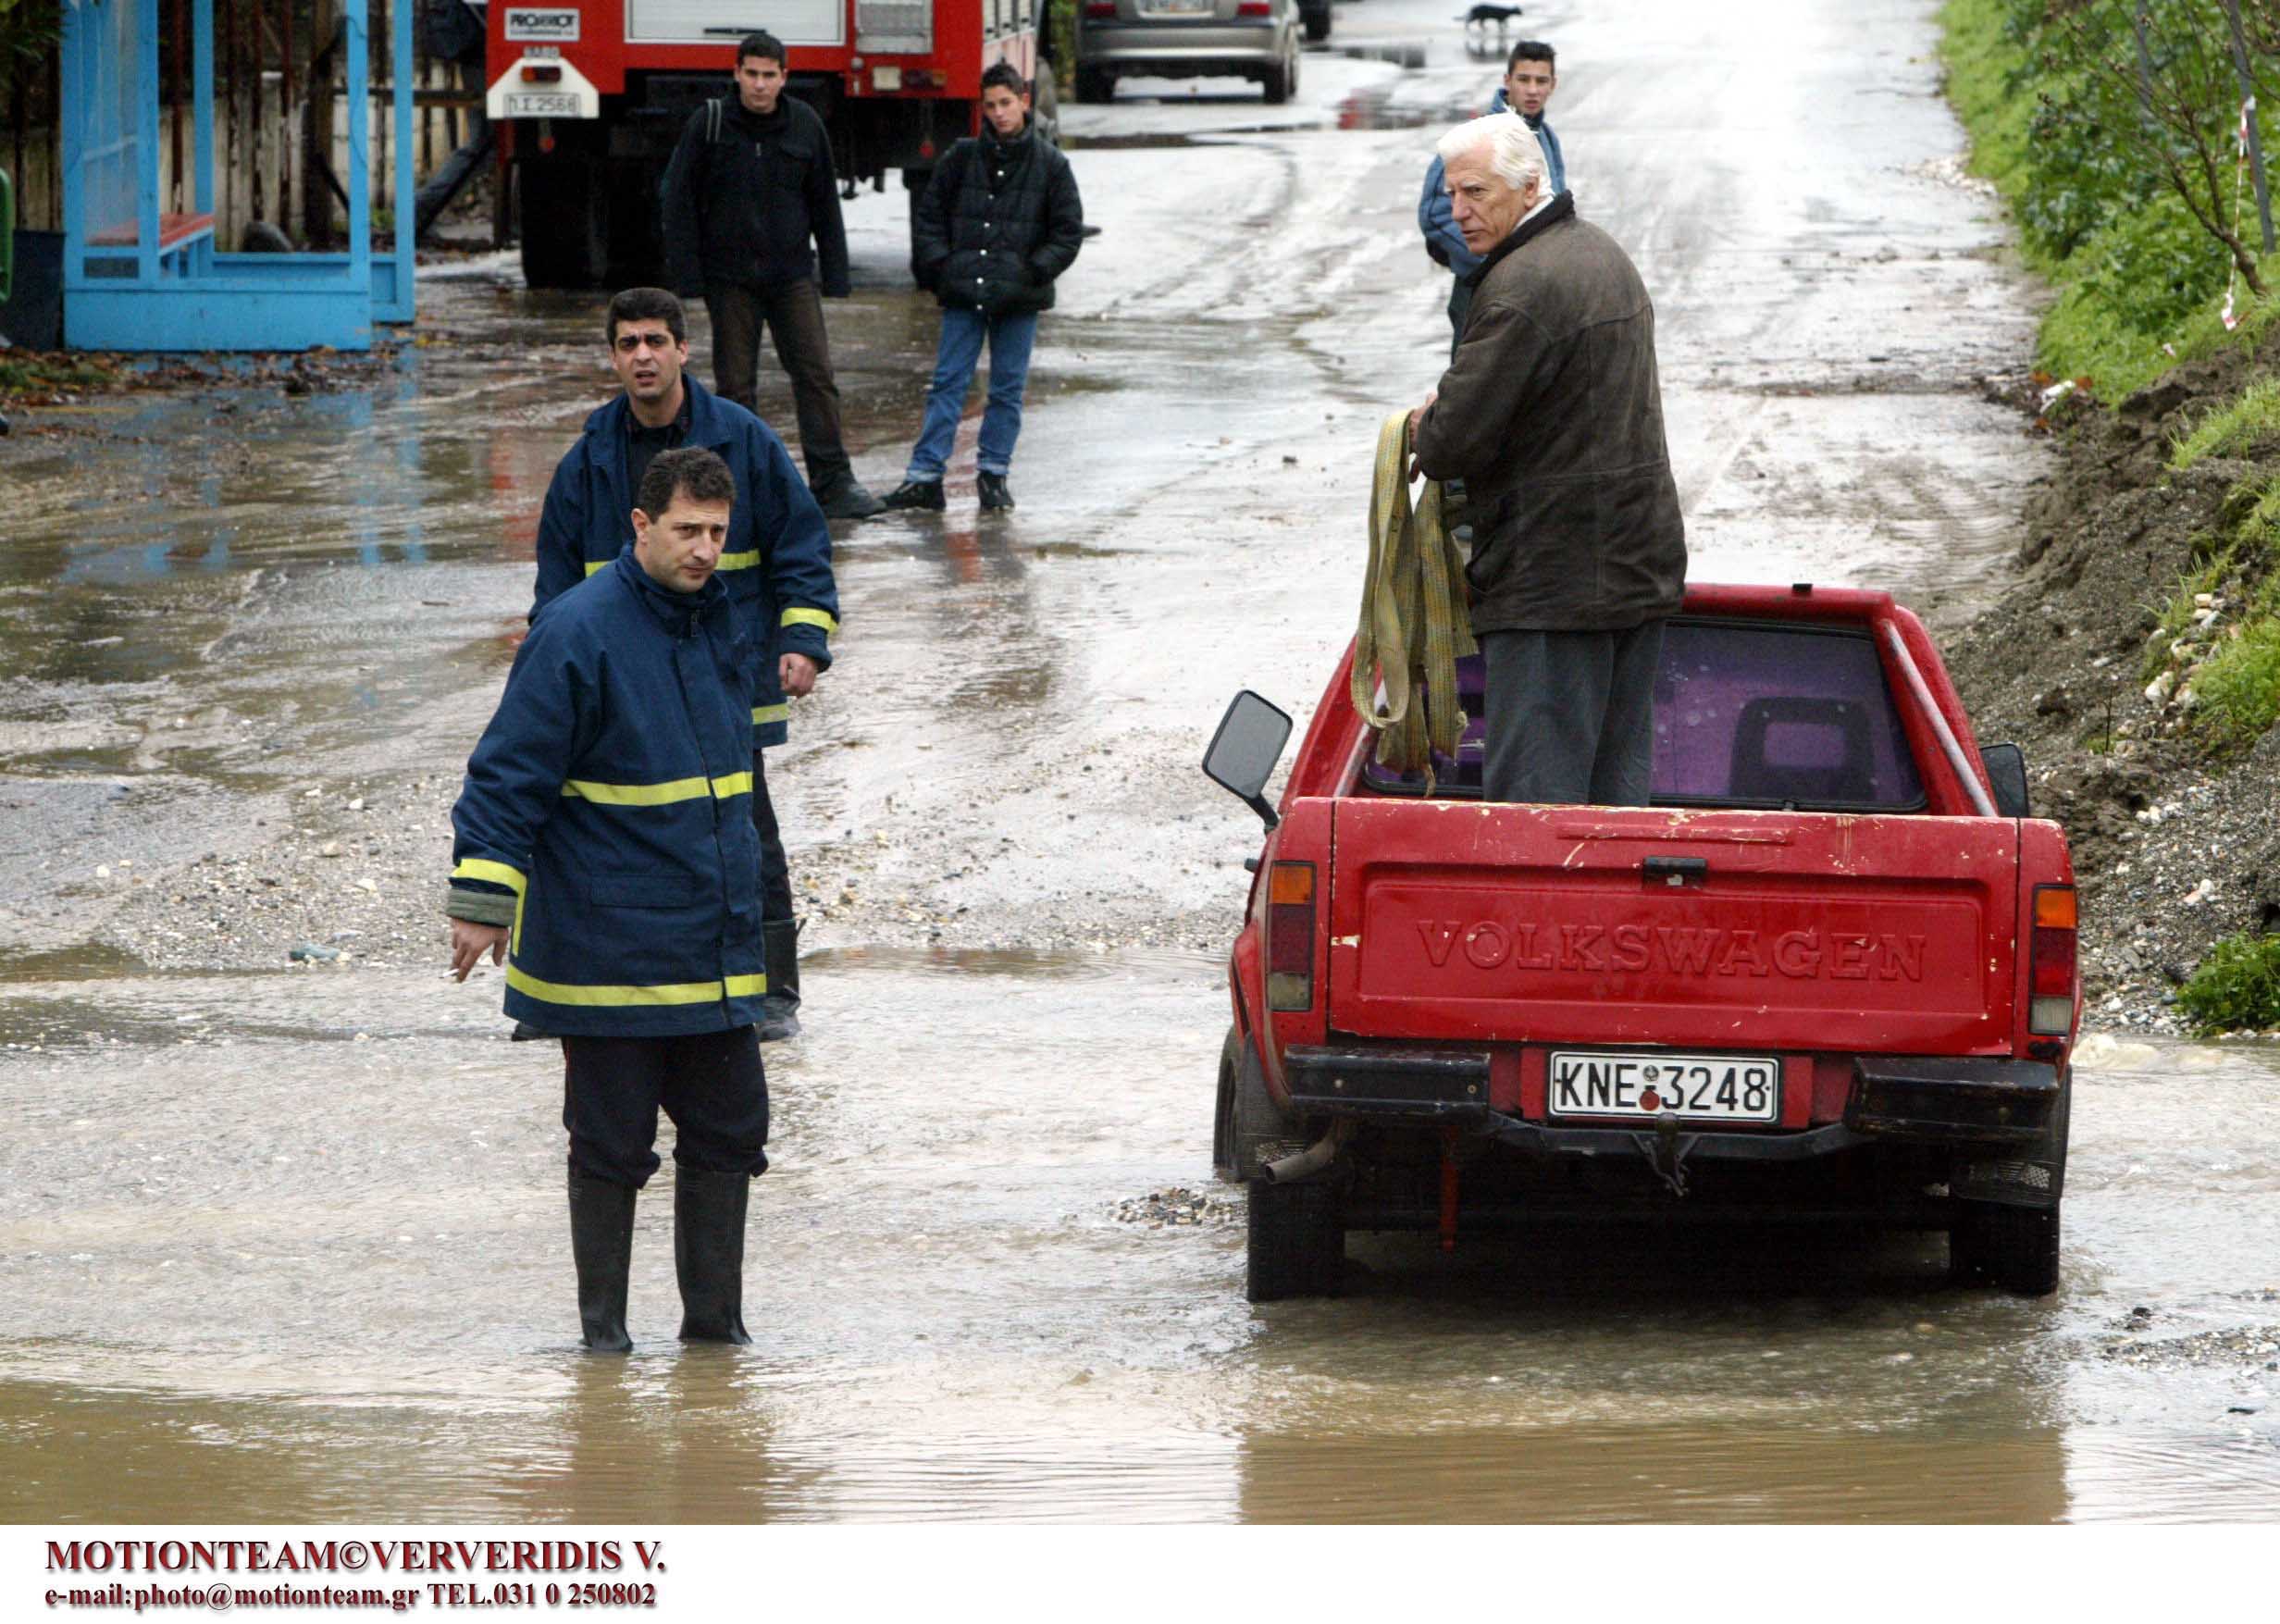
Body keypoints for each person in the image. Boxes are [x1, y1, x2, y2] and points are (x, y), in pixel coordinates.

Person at [449, 447, 774, 1353]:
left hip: (710, 950)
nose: (705, 550)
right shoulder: (576, 631)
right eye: (686, 531)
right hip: (609, 951)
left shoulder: (716, 621)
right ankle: (604, 1346)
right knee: (611, 1147)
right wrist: (483, 898)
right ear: (639, 527)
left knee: (733, 1129)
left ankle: (716, 1338)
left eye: (717, 531)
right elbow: (507, 778)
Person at [534, 287, 836, 1044]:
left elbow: (802, 545)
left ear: (682, 350)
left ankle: (771, 995)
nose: (642, 356)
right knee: (617, 831)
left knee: (743, 832)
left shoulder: (744, 441)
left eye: (655, 341)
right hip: (625, 689)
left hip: (725, 678)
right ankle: (615, 984)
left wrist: (801, 639)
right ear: (613, 356)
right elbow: (555, 588)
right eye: (628, 343)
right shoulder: (589, 461)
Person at [1408, 112, 1685, 808]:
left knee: (1536, 819)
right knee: (1618, 806)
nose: (1457, 212)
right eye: (1449, 196)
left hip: (1554, 589)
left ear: (1530, 187)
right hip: (1633, 575)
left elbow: (1450, 445)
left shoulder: (1520, 288)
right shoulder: (1601, 254)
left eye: (1474, 192)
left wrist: (1423, 423)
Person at [660, 31, 885, 521]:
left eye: (769, 75)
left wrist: (837, 274)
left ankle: (833, 481)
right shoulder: (710, 125)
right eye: (751, 74)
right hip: (730, 279)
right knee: (736, 386)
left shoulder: (804, 125)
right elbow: (678, 199)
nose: (760, 85)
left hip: (791, 276)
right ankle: (739, 487)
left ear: (784, 77)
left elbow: (824, 201)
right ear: (736, 74)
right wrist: (689, 276)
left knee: (816, 376)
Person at [882, 62, 1084, 514]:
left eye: (1006, 103)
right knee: (947, 383)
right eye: (990, 105)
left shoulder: (1050, 164)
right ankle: (925, 478)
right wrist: (942, 267)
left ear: (1024, 101)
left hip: (1018, 297)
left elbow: (1068, 231)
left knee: (1007, 390)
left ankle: (993, 475)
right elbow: (929, 217)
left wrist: (1033, 271)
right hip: (964, 292)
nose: (999, 114)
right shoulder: (960, 158)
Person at [1419, 41, 1566, 354]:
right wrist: (1492, 263)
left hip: (1535, 290)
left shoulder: (1547, 138)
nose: (1532, 90)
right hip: (1481, 291)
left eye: (1541, 81)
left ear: (1553, 85)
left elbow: (1555, 206)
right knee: (1474, 390)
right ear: (1507, 81)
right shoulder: (1478, 139)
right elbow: (1434, 214)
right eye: (1524, 79)